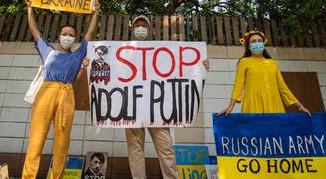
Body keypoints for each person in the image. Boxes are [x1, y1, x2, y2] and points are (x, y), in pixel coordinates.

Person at [22, 0, 100, 179]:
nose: (67, 37)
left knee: (62, 142)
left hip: (67, 95)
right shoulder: (48, 51)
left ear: (75, 39)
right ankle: (28, 176)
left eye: (71, 35)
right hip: (46, 93)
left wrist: (96, 12)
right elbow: (34, 30)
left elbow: (89, 34)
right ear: (59, 36)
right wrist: (30, 8)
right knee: (36, 137)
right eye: (64, 34)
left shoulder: (78, 54)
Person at [125, 15, 209, 179]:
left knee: (166, 148)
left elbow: (179, 67)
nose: (140, 28)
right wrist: (90, 64)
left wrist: (200, 64)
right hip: (132, 107)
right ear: (132, 29)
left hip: (157, 108)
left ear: (149, 30)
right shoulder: (122, 50)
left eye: (143, 25)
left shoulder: (161, 49)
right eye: (137, 25)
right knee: (135, 150)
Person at [218, 30, 311, 117]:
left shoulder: (272, 63)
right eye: (253, 41)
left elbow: (283, 87)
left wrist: (299, 106)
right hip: (253, 106)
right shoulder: (244, 62)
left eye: (259, 40)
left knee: (276, 133)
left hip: (275, 105)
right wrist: (231, 106)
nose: (257, 43)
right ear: (248, 46)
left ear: (264, 43)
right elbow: (238, 85)